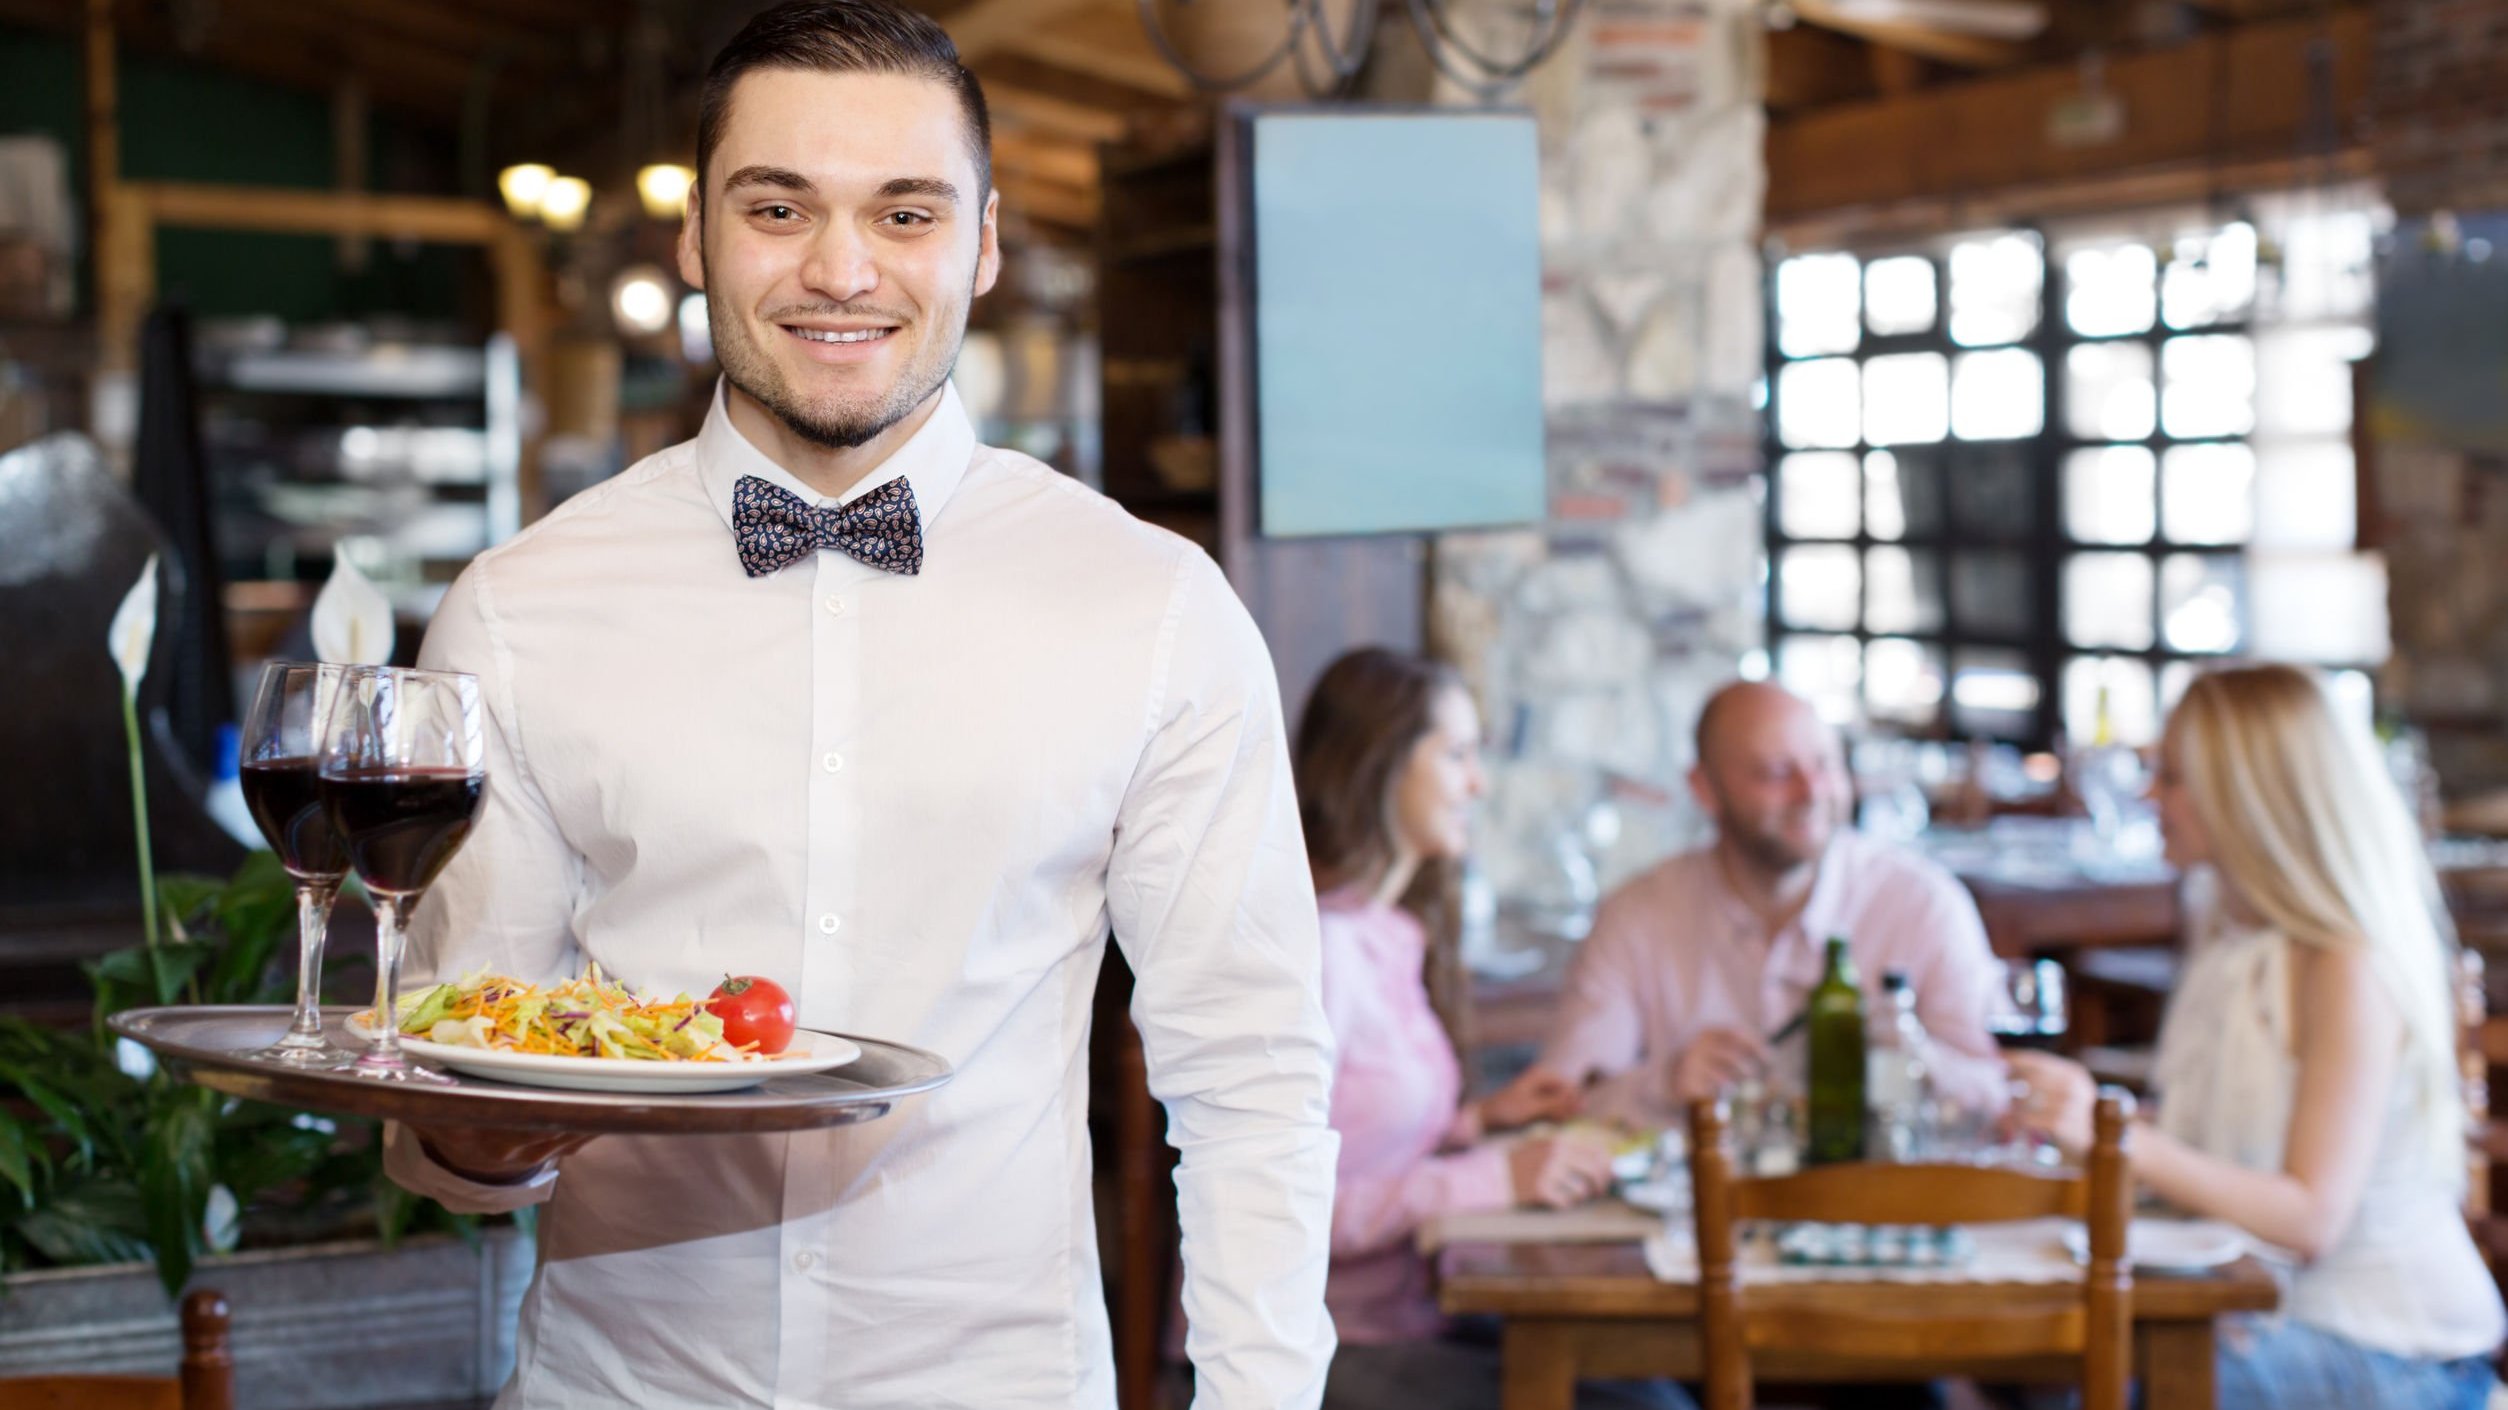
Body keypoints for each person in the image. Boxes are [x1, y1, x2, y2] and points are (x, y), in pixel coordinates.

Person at [380, 5, 1337, 1405]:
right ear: (696, 240)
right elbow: (467, 1073)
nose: (842, 269)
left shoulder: (1153, 609)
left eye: (906, 212)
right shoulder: (518, 611)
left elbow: (1251, 1066)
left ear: (985, 245)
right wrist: (471, 1134)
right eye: (779, 207)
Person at [2010, 666, 2504, 1409]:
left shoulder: (2345, 961)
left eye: (2171, 776)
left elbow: (2311, 1217)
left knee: (2087, 1386)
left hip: (2397, 1353)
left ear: (2245, 792)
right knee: (2029, 1368)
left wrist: (2120, 1137)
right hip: (2266, 1314)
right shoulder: (2229, 927)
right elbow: (2221, 1144)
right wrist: (2086, 1128)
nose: (2151, 797)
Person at [1295, 648, 1687, 1410]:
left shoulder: (1383, 935)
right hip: (1321, 1347)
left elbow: (1358, 1138)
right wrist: (1498, 1174)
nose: (1477, 783)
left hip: (1405, 1315)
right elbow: (1291, 1211)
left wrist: (1476, 1123)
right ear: (1379, 764)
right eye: (1457, 755)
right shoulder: (1319, 953)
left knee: (1650, 1388)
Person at [1487, 679, 2007, 1131]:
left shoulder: (1923, 904)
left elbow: (2000, 1096)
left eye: (1826, 764)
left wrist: (1912, 1059)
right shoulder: (1637, 915)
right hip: (1691, 1224)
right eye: (1776, 772)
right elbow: (1563, 1100)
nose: (1811, 792)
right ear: (1704, 789)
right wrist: (1664, 1084)